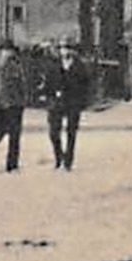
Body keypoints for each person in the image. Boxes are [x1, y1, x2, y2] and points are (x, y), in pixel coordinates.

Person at [0, 39, 30, 172]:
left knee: (15, 136)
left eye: (9, 51)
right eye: (5, 51)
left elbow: (22, 85)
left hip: (15, 105)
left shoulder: (17, 65)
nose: (7, 54)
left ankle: (12, 164)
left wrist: (23, 100)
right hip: (1, 105)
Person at [46, 40, 91, 170]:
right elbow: (48, 81)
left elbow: (86, 84)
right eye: (61, 48)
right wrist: (49, 95)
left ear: (72, 51)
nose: (64, 51)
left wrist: (82, 100)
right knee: (53, 131)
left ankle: (68, 160)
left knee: (71, 131)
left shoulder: (79, 66)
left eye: (67, 48)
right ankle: (59, 156)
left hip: (73, 102)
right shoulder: (54, 65)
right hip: (57, 102)